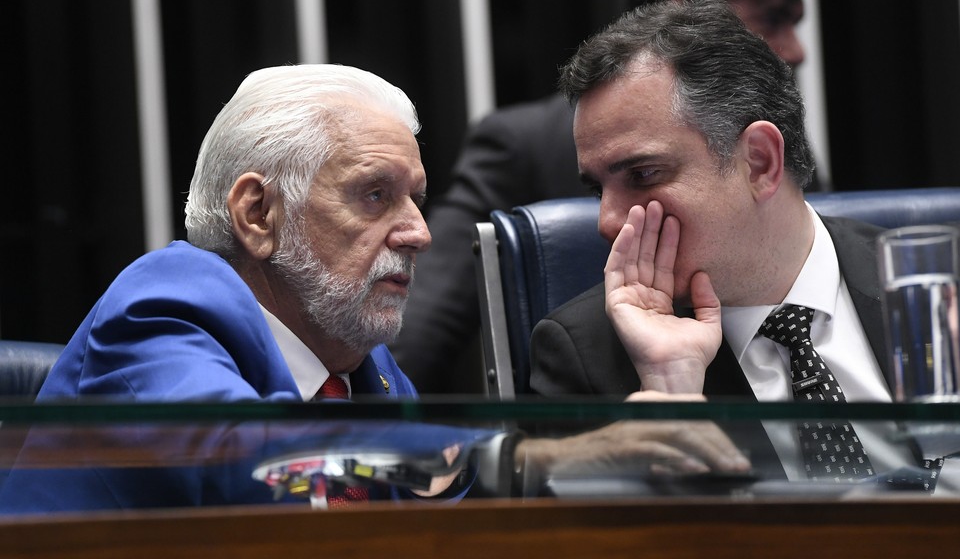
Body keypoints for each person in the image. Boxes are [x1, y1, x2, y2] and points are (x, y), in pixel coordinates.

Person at [0, 64, 749, 513]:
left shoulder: (363, 371)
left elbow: (448, 504)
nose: (418, 231)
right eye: (374, 196)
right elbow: (254, 460)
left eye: (416, 198)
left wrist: (667, 391)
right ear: (258, 215)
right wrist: (535, 458)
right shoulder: (164, 309)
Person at [529, 0, 960, 485]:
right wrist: (670, 388)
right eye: (598, 188)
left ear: (760, 162)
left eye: (643, 174)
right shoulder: (588, 356)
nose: (607, 221)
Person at [394, 0, 821, 393]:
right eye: (773, 18)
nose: (796, 49)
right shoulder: (524, 146)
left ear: (762, 162)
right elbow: (418, 337)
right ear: (692, 19)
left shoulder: (767, 149)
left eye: (641, 174)